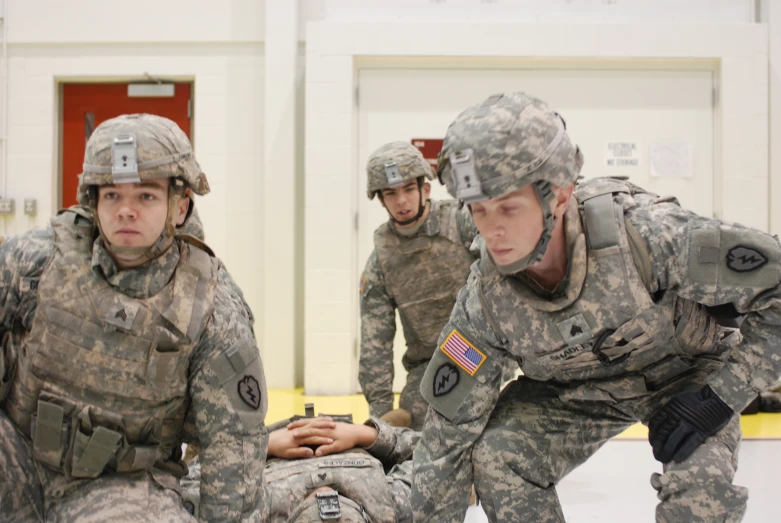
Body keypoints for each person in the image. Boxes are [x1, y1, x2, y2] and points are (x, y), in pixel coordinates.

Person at [412, 92, 781, 522]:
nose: (492, 230)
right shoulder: (485, 301)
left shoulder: (646, 235)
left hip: (686, 377)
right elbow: (445, 437)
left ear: (560, 194)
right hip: (579, 394)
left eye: (509, 207)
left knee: (702, 490)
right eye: (478, 210)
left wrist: (720, 398)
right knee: (499, 455)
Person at [0, 114, 268, 522]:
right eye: (112, 196)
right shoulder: (38, 260)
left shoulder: (210, 306)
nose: (125, 211)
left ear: (179, 207)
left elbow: (234, 450)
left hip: (117, 487)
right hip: (16, 452)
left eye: (145, 196)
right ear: (93, 201)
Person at [359, 141, 479, 430]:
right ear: (381, 200)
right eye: (391, 194)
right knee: (417, 426)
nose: (401, 201)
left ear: (425, 189)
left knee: (470, 421)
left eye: (409, 190)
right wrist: (381, 418)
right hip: (431, 363)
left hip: (484, 350)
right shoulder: (381, 262)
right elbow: (375, 342)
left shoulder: (463, 223)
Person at [181, 411, 419, 522]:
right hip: (353, 441)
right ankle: (385, 420)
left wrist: (261, 445)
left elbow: (190, 482)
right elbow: (431, 454)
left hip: (269, 437)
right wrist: (364, 434)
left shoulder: (254, 512)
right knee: (400, 422)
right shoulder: (392, 506)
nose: (325, 496)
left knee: (208, 436)